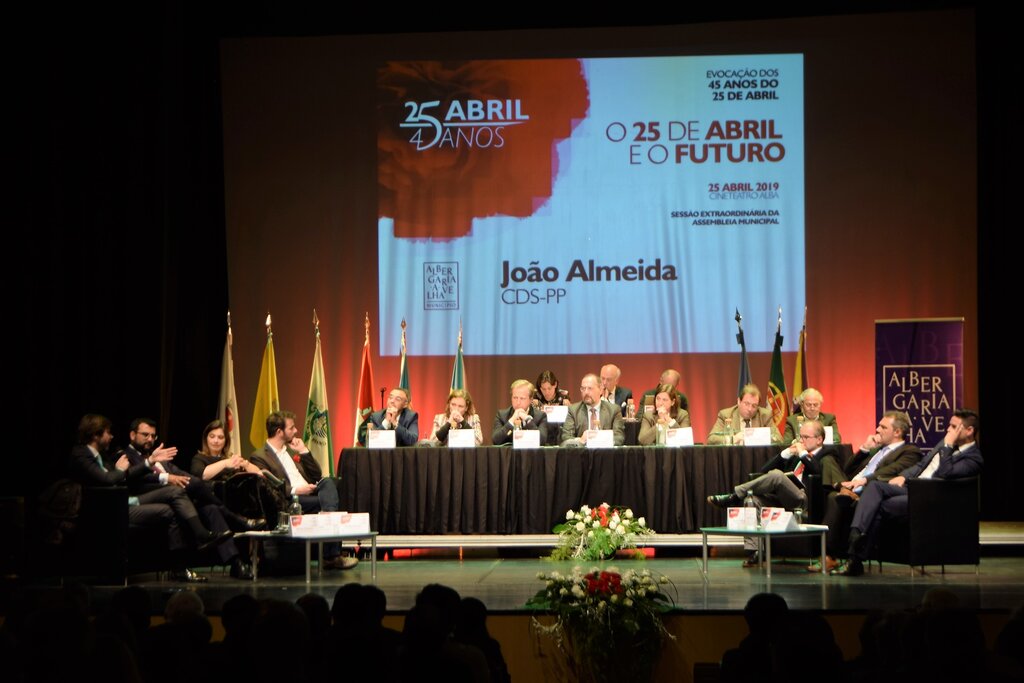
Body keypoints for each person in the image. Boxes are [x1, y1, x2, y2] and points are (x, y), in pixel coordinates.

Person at [67, 414, 229, 582]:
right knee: (174, 498)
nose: (111, 436)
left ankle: (183, 561)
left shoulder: (102, 455)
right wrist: (122, 470)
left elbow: (121, 475)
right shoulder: (81, 454)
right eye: (108, 433)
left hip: (126, 502)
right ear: (95, 434)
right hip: (108, 510)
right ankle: (199, 539)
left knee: (173, 499)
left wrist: (149, 461)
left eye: (153, 435)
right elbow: (108, 479)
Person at [838, 410, 982, 576]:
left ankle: (854, 555)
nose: (948, 430)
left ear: (969, 430)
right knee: (875, 486)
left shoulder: (973, 458)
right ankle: (856, 534)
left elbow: (946, 472)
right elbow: (920, 466)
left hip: (929, 496)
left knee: (880, 505)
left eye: (954, 427)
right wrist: (902, 477)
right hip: (911, 488)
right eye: (949, 425)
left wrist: (948, 446)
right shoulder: (945, 443)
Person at [124, 417, 255, 578]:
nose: (150, 439)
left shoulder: (157, 458)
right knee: (191, 488)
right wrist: (166, 477)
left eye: (153, 436)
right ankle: (236, 520)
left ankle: (235, 563)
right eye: (145, 435)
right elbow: (132, 478)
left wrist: (193, 482)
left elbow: (179, 472)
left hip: (179, 499)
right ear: (132, 435)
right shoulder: (125, 456)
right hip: (149, 499)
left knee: (210, 507)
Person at [707, 420, 833, 566]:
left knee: (778, 475)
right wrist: (787, 453)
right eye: (801, 437)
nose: (802, 441)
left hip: (805, 500)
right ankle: (756, 551)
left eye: (806, 437)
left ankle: (734, 496)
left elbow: (818, 472)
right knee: (753, 499)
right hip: (784, 499)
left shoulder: (827, 454)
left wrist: (803, 453)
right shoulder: (796, 456)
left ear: (819, 439)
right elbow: (763, 471)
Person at [251, 410, 358, 570]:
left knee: (328, 482)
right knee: (329, 505)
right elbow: (268, 486)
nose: (295, 431)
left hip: (311, 491)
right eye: (291, 428)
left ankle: (330, 546)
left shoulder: (290, 451)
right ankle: (331, 556)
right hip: (290, 499)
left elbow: (316, 475)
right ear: (279, 432)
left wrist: (303, 451)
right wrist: (296, 490)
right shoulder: (260, 456)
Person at [820, 410, 922, 573]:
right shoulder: (876, 450)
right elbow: (847, 470)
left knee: (834, 496)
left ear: (897, 432)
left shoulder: (909, 451)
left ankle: (828, 556)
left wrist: (863, 481)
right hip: (852, 486)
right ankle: (844, 492)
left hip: (868, 492)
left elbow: (890, 471)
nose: (877, 430)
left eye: (883, 427)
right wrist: (865, 449)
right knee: (829, 463)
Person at [190, 419, 282, 522]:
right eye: (212, 436)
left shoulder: (231, 457)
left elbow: (258, 473)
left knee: (258, 484)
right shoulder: (199, 458)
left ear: (226, 441)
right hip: (213, 497)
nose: (216, 441)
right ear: (206, 438)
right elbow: (202, 475)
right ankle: (246, 520)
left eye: (220, 437)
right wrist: (225, 463)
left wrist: (245, 464)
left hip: (237, 499)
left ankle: (270, 519)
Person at [706, 383, 783, 445]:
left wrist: (757, 437)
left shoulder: (764, 415)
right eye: (746, 404)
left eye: (754, 406)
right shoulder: (726, 415)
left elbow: (778, 439)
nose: (750, 409)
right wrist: (733, 439)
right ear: (739, 401)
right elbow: (711, 439)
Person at [561, 373, 625, 446]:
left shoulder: (613, 410)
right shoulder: (573, 410)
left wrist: (600, 440)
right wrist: (580, 440)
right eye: (583, 389)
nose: (586, 392)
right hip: (581, 454)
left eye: (590, 388)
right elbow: (566, 437)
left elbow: (619, 438)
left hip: (606, 454)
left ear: (600, 390)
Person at [492, 379, 549, 445]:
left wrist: (527, 420)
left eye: (522, 398)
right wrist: (511, 421)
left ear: (531, 400)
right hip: (509, 454)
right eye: (515, 398)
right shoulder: (502, 415)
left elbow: (542, 441)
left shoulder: (540, 416)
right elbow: (495, 440)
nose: (518, 402)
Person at [533, 370, 570, 446]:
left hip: (558, 431)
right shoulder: (535, 396)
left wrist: (568, 408)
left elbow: (568, 418)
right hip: (540, 431)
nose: (546, 392)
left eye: (549, 388)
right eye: (543, 389)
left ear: (555, 384)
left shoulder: (563, 396)